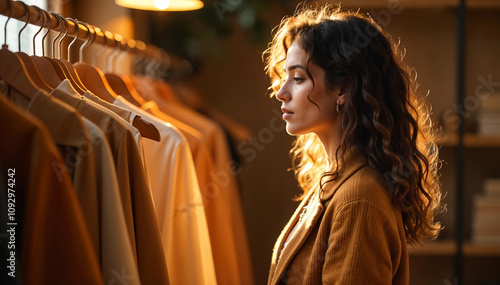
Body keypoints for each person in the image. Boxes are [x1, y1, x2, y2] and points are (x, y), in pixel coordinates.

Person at [264, 5, 442, 285]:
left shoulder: (359, 199)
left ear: (343, 89)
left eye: (298, 78)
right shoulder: (333, 180)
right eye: (285, 77)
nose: (281, 92)